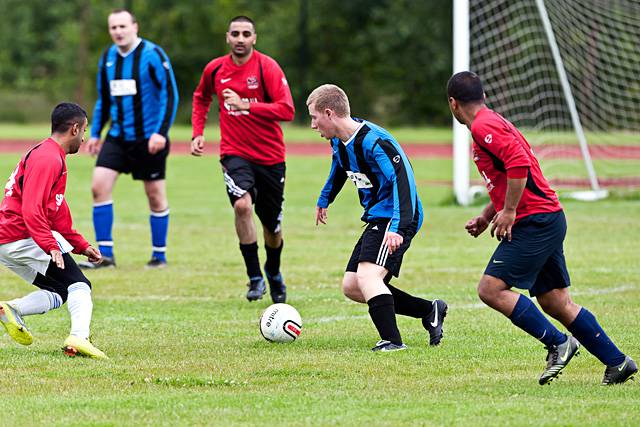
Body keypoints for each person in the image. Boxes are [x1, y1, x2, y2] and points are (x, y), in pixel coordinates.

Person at [447, 71, 637, 384]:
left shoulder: (483, 125)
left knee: (490, 289)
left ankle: (558, 343)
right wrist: (486, 215)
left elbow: (519, 163)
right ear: (482, 96)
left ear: (453, 103)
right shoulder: (490, 121)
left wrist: (509, 211)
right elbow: (507, 176)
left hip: (535, 220)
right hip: (547, 217)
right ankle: (618, 363)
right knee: (555, 302)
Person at [308, 84, 447, 352]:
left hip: (397, 215)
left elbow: (403, 182)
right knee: (352, 286)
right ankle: (429, 310)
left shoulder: (375, 141)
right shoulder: (339, 141)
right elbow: (339, 168)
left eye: (314, 117)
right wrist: (325, 199)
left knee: (369, 276)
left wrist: (397, 228)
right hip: (377, 216)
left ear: (329, 113)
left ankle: (393, 342)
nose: (313, 125)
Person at [191, 16, 294, 303]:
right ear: (227, 37)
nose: (240, 38)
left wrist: (247, 104)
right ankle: (254, 277)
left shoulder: (266, 67)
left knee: (272, 228)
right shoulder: (215, 68)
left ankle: (272, 271)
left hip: (271, 157)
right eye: (235, 33)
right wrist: (198, 133)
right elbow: (201, 98)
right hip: (234, 153)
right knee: (242, 205)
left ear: (254, 38)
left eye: (245, 33)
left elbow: (287, 110)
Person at [0, 103, 107, 359]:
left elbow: (56, 213)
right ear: (74, 128)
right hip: (22, 235)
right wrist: (49, 244)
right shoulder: (48, 158)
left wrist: (81, 246)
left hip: (8, 240)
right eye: (84, 131)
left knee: (60, 290)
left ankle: (11, 309)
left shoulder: (50, 155)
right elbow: (32, 208)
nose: (84, 138)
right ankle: (78, 338)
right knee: (80, 285)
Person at [80, 9, 179, 270]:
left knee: (155, 195)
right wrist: (96, 133)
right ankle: (105, 257)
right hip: (117, 137)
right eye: (113, 27)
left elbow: (170, 95)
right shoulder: (108, 58)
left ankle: (159, 256)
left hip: (149, 138)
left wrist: (161, 132)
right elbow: (103, 98)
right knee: (98, 186)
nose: (118, 32)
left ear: (135, 26)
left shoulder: (152, 55)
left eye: (123, 26)